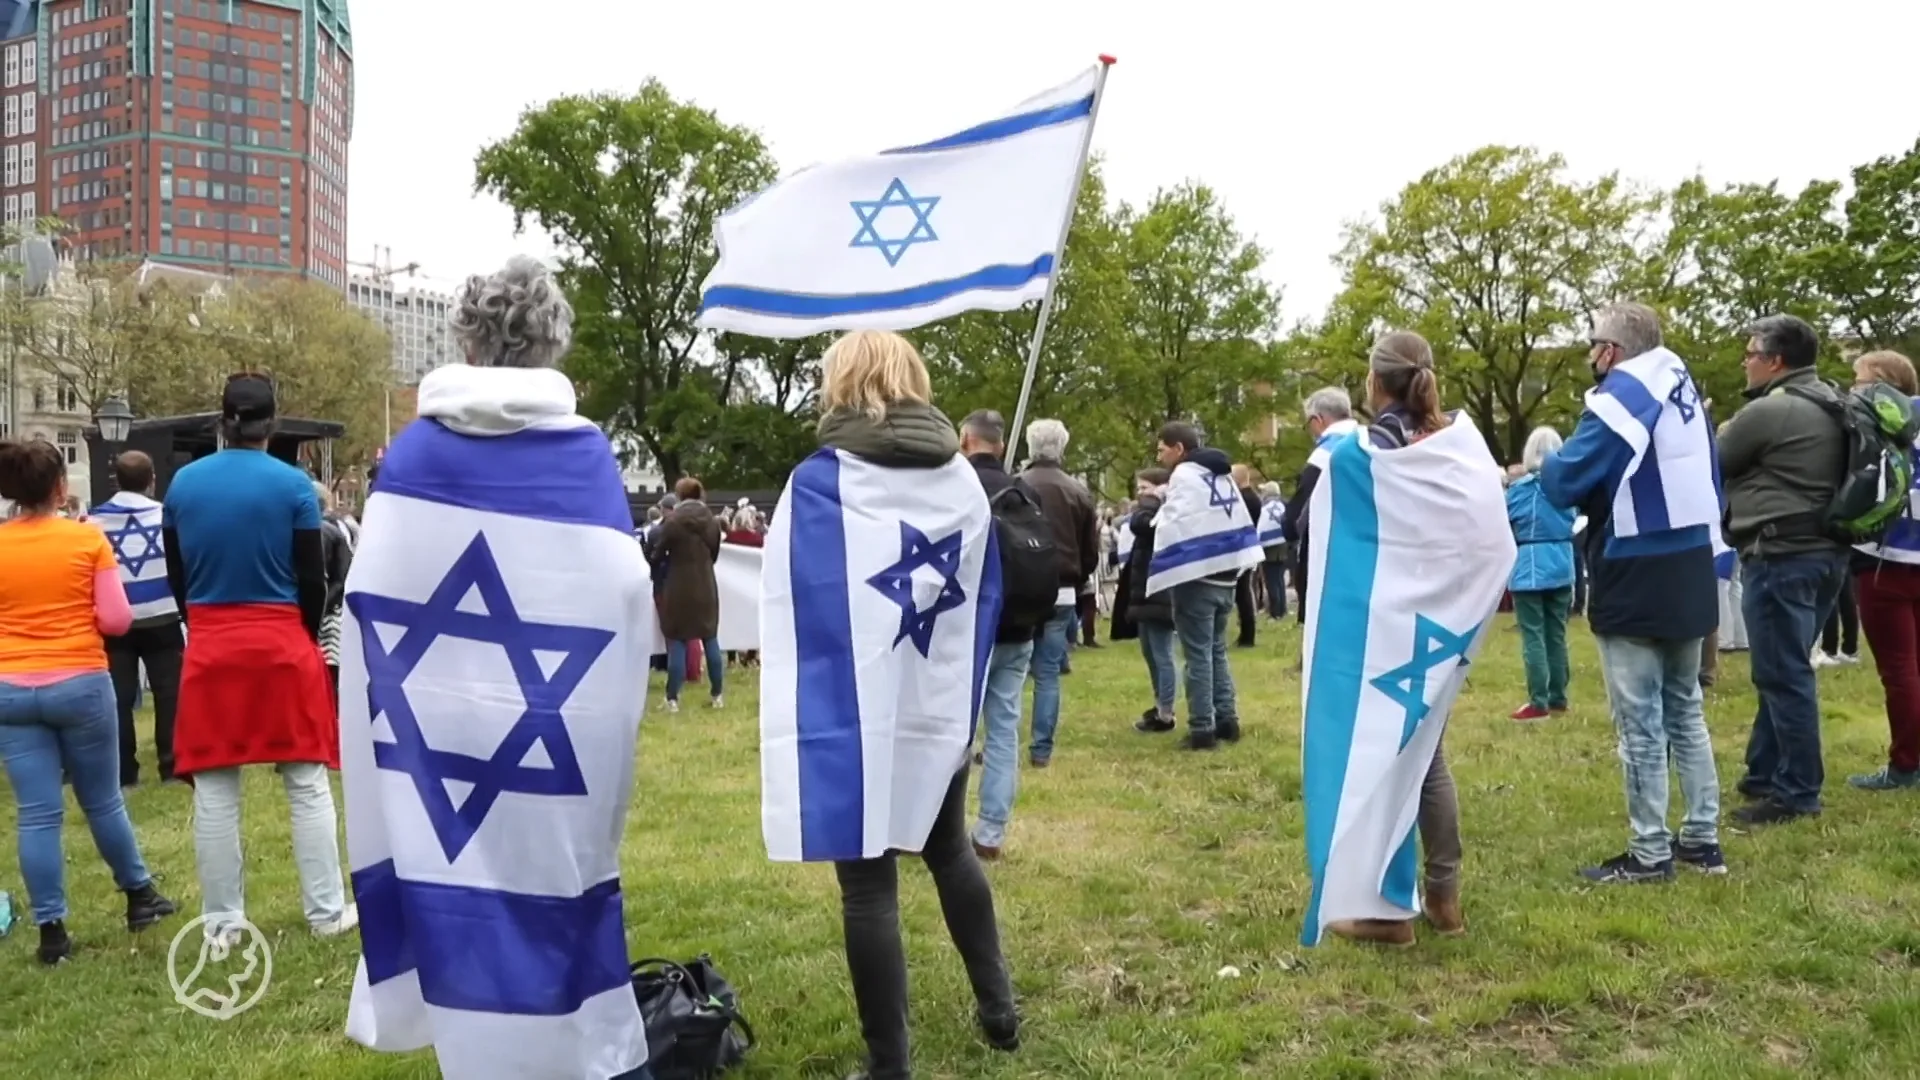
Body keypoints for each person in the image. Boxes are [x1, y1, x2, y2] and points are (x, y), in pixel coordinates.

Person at [340, 254, 655, 1078]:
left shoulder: (414, 456)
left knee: (452, 883)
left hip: (431, 719)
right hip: (554, 720)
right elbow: (620, 590)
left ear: (468, 339)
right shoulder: (582, 459)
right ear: (554, 341)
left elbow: (371, 597)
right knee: (550, 881)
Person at [759, 330, 1016, 1080]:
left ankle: (889, 1064)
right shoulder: (962, 480)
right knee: (949, 850)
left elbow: (789, 598)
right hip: (933, 704)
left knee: (867, 883)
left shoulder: (817, 482)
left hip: (856, 709)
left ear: (839, 384)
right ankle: (1000, 1012)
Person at [164, 373, 355, 938]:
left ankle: (223, 922)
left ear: (221, 421)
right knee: (306, 779)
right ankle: (325, 913)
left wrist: (201, 620)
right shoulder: (293, 487)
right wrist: (300, 631)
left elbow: (179, 575)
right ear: (273, 423)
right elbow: (310, 577)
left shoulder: (182, 485)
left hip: (212, 640)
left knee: (217, 787)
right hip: (281, 642)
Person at [1542, 302, 1724, 881]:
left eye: (1592, 344)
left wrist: (1546, 464)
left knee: (1640, 723)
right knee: (1686, 710)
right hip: (1691, 561)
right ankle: (1702, 837)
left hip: (1635, 565)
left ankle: (1650, 852)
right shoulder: (1679, 386)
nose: (1591, 356)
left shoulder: (1623, 394)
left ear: (1612, 351)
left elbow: (1567, 479)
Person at [1312, 332, 1482, 946]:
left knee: (1388, 754)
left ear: (1376, 382)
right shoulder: (1457, 442)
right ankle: (1443, 895)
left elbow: (1331, 529)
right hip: (1439, 620)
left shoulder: (1370, 449)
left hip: (1386, 622)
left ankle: (1388, 913)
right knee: (1427, 752)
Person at [0, 437, 176, 964]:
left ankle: (52, 931)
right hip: (78, 678)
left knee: (36, 813)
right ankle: (138, 895)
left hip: (11, 687)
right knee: (102, 800)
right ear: (60, 487)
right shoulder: (87, 541)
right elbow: (118, 619)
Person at [1720, 314, 1848, 824]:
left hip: (1780, 553)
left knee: (1784, 673)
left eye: (1751, 353)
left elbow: (1715, 459)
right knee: (1783, 667)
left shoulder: (1771, 411)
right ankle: (1762, 772)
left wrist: (1728, 427)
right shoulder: (1831, 399)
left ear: (1775, 361)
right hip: (1826, 552)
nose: (1745, 362)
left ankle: (1797, 791)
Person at [958, 408, 1046, 860]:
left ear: (966, 439)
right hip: (1021, 625)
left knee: (954, 729)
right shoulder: (1024, 491)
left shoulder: (957, 486)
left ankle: (940, 829)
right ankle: (991, 831)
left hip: (969, 626)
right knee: (1004, 728)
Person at [1146, 421, 1263, 751]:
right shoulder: (1220, 473)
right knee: (1216, 650)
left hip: (1197, 576)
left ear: (1179, 449)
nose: (1160, 455)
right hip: (1226, 573)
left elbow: (1174, 522)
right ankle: (1228, 719)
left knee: (1197, 654)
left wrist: (1153, 510)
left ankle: (1202, 728)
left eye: (1162, 449)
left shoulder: (1185, 475)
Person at [1846, 350, 1920, 791]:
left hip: (1887, 559)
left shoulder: (1876, 422)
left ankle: (1906, 763)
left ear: (1879, 382)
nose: (1853, 389)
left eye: (1858, 380)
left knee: (1899, 670)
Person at [89, 450, 184, 786]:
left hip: (115, 621)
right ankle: (171, 767)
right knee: (169, 694)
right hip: (163, 615)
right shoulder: (167, 517)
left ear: (117, 479)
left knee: (118, 698)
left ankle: (124, 773)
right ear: (152, 479)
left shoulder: (92, 522)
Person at [1016, 418, 1098, 767]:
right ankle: (1041, 750)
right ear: (1062, 448)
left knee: (1011, 674)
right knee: (1048, 674)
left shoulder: (1016, 486)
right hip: (1063, 589)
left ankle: (998, 743)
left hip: (1019, 590)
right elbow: (1090, 552)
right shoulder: (1078, 491)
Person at [1505, 427, 1577, 721]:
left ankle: (1539, 700)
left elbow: (1506, 519)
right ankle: (1558, 695)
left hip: (1530, 563)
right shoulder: (1567, 487)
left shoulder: (1521, 490)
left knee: (1533, 635)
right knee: (1556, 634)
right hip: (1561, 561)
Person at [648, 476, 724, 712]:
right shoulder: (712, 522)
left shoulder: (672, 523)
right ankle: (717, 695)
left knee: (678, 641)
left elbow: (657, 555)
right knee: (710, 638)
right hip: (705, 585)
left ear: (679, 496)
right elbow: (714, 554)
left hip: (678, 587)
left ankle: (673, 699)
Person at [1284, 388, 1359, 624]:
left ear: (1318, 420)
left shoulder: (1325, 455)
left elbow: (1295, 518)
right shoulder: (1373, 443)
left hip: (1328, 558)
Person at [1125, 468, 1179, 734]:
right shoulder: (1153, 509)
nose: (1140, 495)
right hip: (1146, 591)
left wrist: (1155, 498)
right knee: (1150, 652)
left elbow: (1140, 524)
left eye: (1144, 488)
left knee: (1162, 653)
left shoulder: (1164, 510)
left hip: (1161, 590)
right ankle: (1159, 704)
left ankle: (1166, 711)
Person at [314, 482, 356, 703]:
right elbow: (344, 575)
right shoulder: (338, 530)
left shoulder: (325, 532)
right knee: (331, 670)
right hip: (333, 612)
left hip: (324, 613)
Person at [1230, 463, 1261, 647]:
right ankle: (1246, 633)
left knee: (1242, 593)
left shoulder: (1243, 499)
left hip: (1242, 548)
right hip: (1247, 547)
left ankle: (1247, 635)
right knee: (1243, 592)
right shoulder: (1252, 497)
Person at [1255, 480, 1288, 620]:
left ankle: (1275, 612)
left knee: (1271, 580)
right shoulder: (1282, 506)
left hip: (1270, 548)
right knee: (1279, 579)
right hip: (1283, 546)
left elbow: (1260, 529)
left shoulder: (1266, 509)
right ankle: (1282, 609)